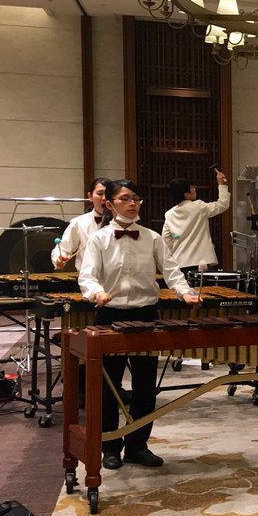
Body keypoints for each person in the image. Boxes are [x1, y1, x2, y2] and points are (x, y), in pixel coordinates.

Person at [79, 179, 201, 469]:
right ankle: (110, 445)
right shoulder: (99, 240)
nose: (132, 203)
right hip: (110, 317)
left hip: (145, 316)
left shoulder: (152, 238)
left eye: (135, 198)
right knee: (109, 385)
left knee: (145, 385)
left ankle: (137, 445)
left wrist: (185, 293)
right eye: (124, 198)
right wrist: (96, 292)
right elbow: (87, 275)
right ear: (110, 204)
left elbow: (171, 271)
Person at [162, 169, 231, 272]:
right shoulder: (198, 207)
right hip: (200, 262)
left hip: (179, 262)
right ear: (186, 194)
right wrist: (221, 184)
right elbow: (222, 204)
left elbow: (166, 239)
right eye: (191, 188)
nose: (194, 189)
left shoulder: (169, 214)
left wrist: (177, 239)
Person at [52, 176, 111, 271]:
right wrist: (60, 258)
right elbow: (63, 248)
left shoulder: (122, 222)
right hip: (87, 277)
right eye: (100, 194)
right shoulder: (79, 223)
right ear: (90, 196)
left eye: (108, 194)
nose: (104, 198)